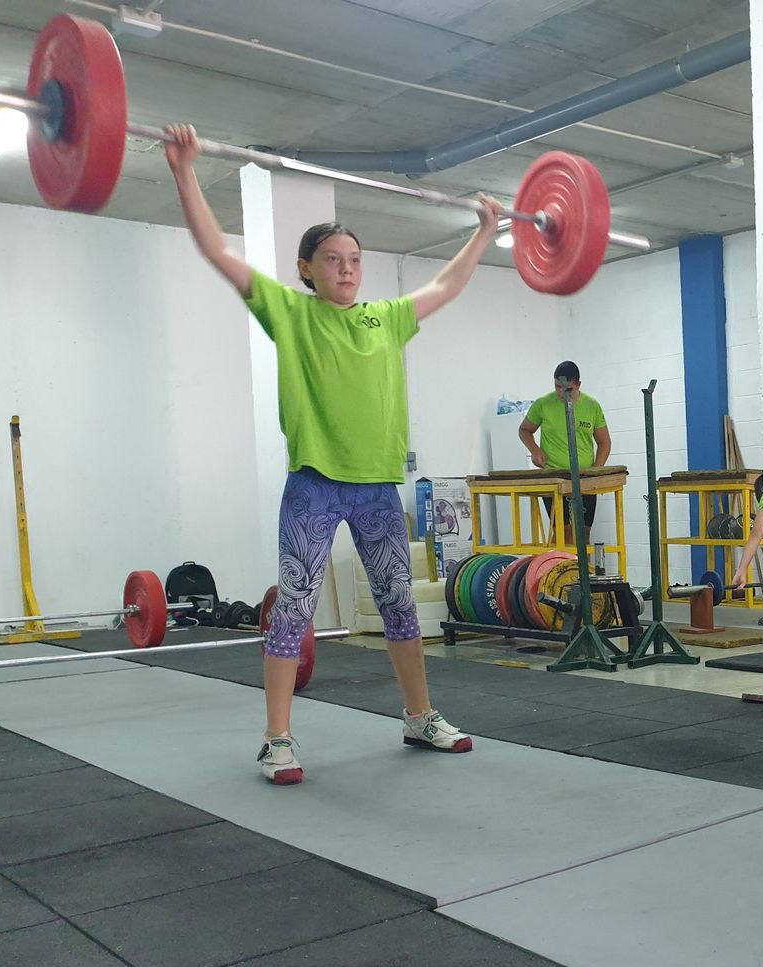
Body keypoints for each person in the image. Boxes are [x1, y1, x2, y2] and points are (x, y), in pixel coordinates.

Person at [165, 124, 495, 785]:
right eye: (334, 258)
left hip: (377, 489)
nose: (348, 266)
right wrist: (182, 171)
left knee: (400, 605)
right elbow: (216, 253)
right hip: (315, 485)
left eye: (355, 258)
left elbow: (448, 286)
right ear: (306, 269)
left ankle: (418, 714)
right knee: (293, 607)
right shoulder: (289, 311)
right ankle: (277, 738)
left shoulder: (386, 319)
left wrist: (484, 230)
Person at [518, 361, 611, 530]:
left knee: (584, 534)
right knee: (564, 534)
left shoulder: (592, 406)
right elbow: (524, 430)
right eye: (557, 387)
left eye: (567, 389)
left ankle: (580, 558)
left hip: (584, 480)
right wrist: (535, 449)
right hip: (555, 479)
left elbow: (604, 442)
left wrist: (596, 471)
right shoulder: (543, 404)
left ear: (578, 385)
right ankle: (560, 557)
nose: (561, 393)